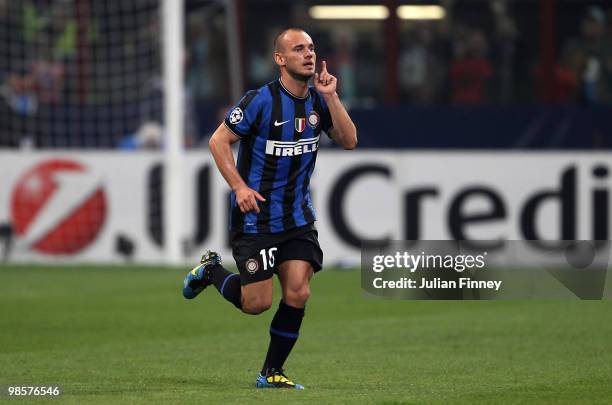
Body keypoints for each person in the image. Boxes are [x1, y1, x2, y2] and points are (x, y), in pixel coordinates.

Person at [182, 28, 357, 389]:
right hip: (257, 219)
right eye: (298, 49)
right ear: (280, 59)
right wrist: (239, 186)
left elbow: (350, 140)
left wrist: (332, 97)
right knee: (255, 303)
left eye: (311, 48)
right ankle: (211, 271)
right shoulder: (260, 100)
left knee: (299, 291)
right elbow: (219, 141)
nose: (308, 54)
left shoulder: (319, 101)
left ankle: (271, 372)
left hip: (297, 218)